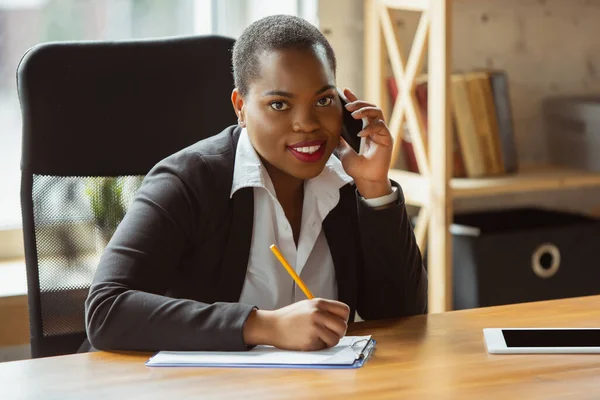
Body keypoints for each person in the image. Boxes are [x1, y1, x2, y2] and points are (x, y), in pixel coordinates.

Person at [85, 14, 427, 353]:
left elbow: (402, 316)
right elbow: (106, 310)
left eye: (323, 100)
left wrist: (375, 190)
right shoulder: (188, 180)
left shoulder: (349, 180)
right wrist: (265, 325)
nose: (306, 124)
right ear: (241, 107)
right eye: (279, 104)